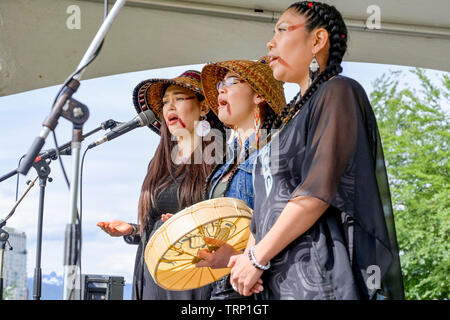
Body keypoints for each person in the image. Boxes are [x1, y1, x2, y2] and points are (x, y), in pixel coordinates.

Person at [202, 1, 405, 300]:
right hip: (275, 279)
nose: (271, 41)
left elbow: (315, 193)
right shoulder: (290, 118)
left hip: (316, 275)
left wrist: (258, 257)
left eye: (282, 30)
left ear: (317, 41)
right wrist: (247, 257)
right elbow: (265, 209)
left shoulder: (338, 92)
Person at [97, 70, 225, 300]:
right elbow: (159, 223)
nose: (169, 107)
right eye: (165, 102)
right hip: (153, 273)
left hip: (193, 274)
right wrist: (133, 229)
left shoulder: (221, 156)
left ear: (204, 108)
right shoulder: (159, 162)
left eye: (178, 98)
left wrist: (187, 225)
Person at [198, 58, 286, 299]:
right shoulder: (226, 163)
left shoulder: (275, 152)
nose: (221, 89)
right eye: (219, 86)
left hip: (260, 288)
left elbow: (283, 221)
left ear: (258, 95)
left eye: (231, 81)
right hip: (223, 287)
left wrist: (236, 255)